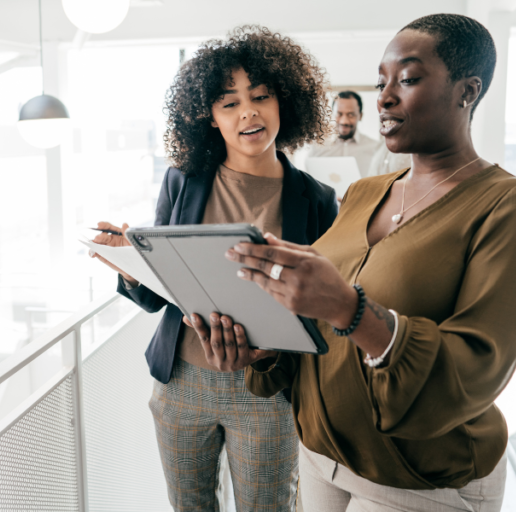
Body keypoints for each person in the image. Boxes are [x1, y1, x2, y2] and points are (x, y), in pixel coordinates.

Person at [189, 14, 516, 512]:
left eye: (407, 79)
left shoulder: (511, 206)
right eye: (382, 81)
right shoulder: (364, 193)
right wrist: (265, 354)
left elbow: (474, 371)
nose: (384, 97)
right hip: (322, 457)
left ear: (467, 91)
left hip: (414, 477)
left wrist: (351, 309)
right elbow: (319, 333)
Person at [89, 25, 338, 512]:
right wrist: (129, 264)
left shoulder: (316, 200)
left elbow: (326, 308)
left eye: (261, 96)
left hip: (267, 391)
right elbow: (160, 293)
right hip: (181, 381)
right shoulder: (183, 181)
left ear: (283, 103)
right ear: (210, 118)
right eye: (229, 103)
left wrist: (270, 353)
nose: (248, 110)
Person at [306, 91, 384, 177]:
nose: (344, 121)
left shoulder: (376, 148)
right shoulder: (317, 147)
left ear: (360, 116)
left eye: (351, 115)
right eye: (339, 114)